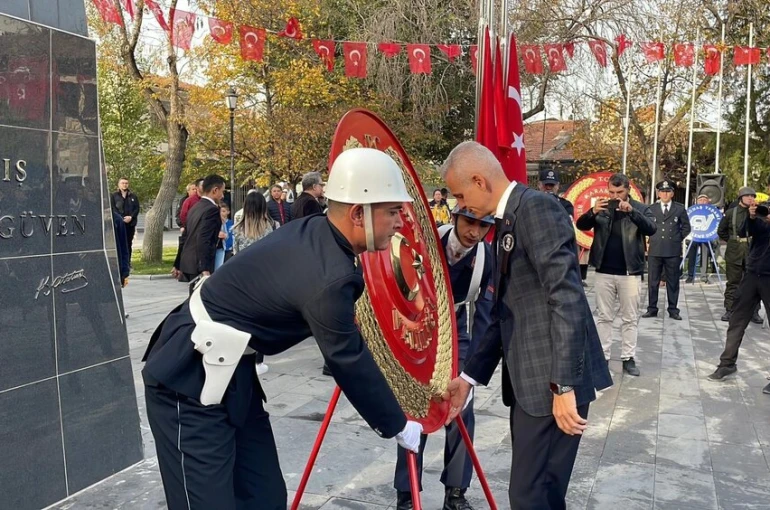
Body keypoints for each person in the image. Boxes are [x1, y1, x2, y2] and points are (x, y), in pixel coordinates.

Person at [141, 148, 422, 509]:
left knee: (265, 496)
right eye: (393, 212)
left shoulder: (323, 236)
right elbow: (346, 357)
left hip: (233, 372)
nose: (400, 222)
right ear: (357, 213)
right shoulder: (327, 273)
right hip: (189, 376)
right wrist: (396, 423)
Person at [440, 141, 612, 510]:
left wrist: (563, 385)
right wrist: (468, 378)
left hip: (554, 384)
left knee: (533, 496)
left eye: (459, 194)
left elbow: (567, 297)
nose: (459, 205)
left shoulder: (536, 209)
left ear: (478, 180)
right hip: (532, 385)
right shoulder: (508, 218)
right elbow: (506, 311)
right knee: (533, 495)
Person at [394, 207, 495, 510]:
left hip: (459, 334)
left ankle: (456, 492)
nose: (474, 232)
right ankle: (407, 492)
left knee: (461, 408)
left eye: (483, 226)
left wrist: (472, 372)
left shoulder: (487, 258)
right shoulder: (427, 241)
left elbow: (486, 318)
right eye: (469, 222)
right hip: (420, 330)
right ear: (454, 217)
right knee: (415, 410)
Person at [575, 173, 656, 376]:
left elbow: (651, 228)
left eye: (619, 192)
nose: (615, 196)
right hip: (603, 270)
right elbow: (581, 225)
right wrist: (592, 212)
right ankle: (603, 356)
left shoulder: (640, 208)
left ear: (628, 189)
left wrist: (632, 213)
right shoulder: (603, 207)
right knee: (604, 317)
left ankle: (628, 358)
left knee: (629, 318)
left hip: (630, 272)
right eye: (611, 191)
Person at [708, 196, 770, 395]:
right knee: (737, 320)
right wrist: (752, 218)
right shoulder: (763, 209)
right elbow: (745, 232)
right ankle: (727, 363)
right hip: (752, 274)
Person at [231, 191, 280, 376]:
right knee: (261, 320)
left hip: (242, 279)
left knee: (241, 319)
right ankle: (258, 361)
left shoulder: (236, 228)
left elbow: (234, 253)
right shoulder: (271, 227)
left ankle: (240, 355)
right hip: (264, 279)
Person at [643, 180, 691, 321]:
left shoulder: (679, 209)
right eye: (662, 191)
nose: (665, 194)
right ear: (658, 193)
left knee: (673, 281)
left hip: (672, 249)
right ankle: (652, 308)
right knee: (653, 281)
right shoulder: (651, 208)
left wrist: (677, 238)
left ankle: (673, 309)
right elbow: (647, 225)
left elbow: (686, 227)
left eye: (668, 191)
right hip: (655, 249)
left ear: (672, 193)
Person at [718, 187, 762, 323]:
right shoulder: (731, 213)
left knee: (754, 284)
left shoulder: (759, 213)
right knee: (733, 283)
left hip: (752, 251)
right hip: (734, 252)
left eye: (752, 196)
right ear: (741, 198)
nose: (750, 198)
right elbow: (722, 231)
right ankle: (730, 310)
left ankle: (754, 312)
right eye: (747, 196)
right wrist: (733, 241)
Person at [179, 175, 225, 282]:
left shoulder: (195, 207)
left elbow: (186, 235)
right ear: (215, 190)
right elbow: (204, 238)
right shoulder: (211, 210)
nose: (222, 196)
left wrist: (177, 263)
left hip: (189, 261)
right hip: (199, 263)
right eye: (222, 192)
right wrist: (204, 268)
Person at [685, 194, 716, 283]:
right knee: (692, 256)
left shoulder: (711, 211)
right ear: (697, 201)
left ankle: (703, 276)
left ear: (708, 201)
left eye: (704, 200)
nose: (702, 202)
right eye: (700, 200)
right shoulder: (693, 210)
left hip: (706, 236)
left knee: (705, 256)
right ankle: (690, 276)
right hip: (694, 236)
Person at [110, 177, 140, 262]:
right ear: (119, 184)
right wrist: (121, 218)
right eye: (122, 183)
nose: (124, 185)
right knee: (119, 244)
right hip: (119, 224)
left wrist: (131, 217)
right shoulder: (114, 196)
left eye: (126, 183)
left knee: (128, 244)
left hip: (130, 224)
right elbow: (113, 208)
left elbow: (137, 208)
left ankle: (127, 262)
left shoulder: (133, 196)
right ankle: (119, 262)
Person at [215, 203, 234, 270]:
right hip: (221, 248)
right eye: (220, 211)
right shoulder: (217, 222)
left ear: (228, 212)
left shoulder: (231, 223)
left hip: (228, 248)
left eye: (224, 211)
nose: (222, 213)